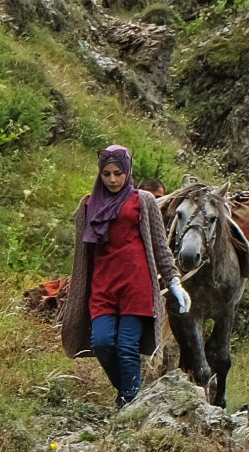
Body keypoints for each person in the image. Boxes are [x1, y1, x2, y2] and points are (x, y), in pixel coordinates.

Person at [61, 144, 191, 408]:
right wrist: (76, 291)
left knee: (126, 345)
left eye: (118, 173)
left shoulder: (143, 201)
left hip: (136, 285)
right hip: (103, 287)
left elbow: (159, 245)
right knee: (102, 341)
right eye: (106, 174)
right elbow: (82, 256)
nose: (112, 179)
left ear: (127, 171)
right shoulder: (88, 205)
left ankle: (128, 402)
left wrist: (174, 281)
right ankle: (129, 393)